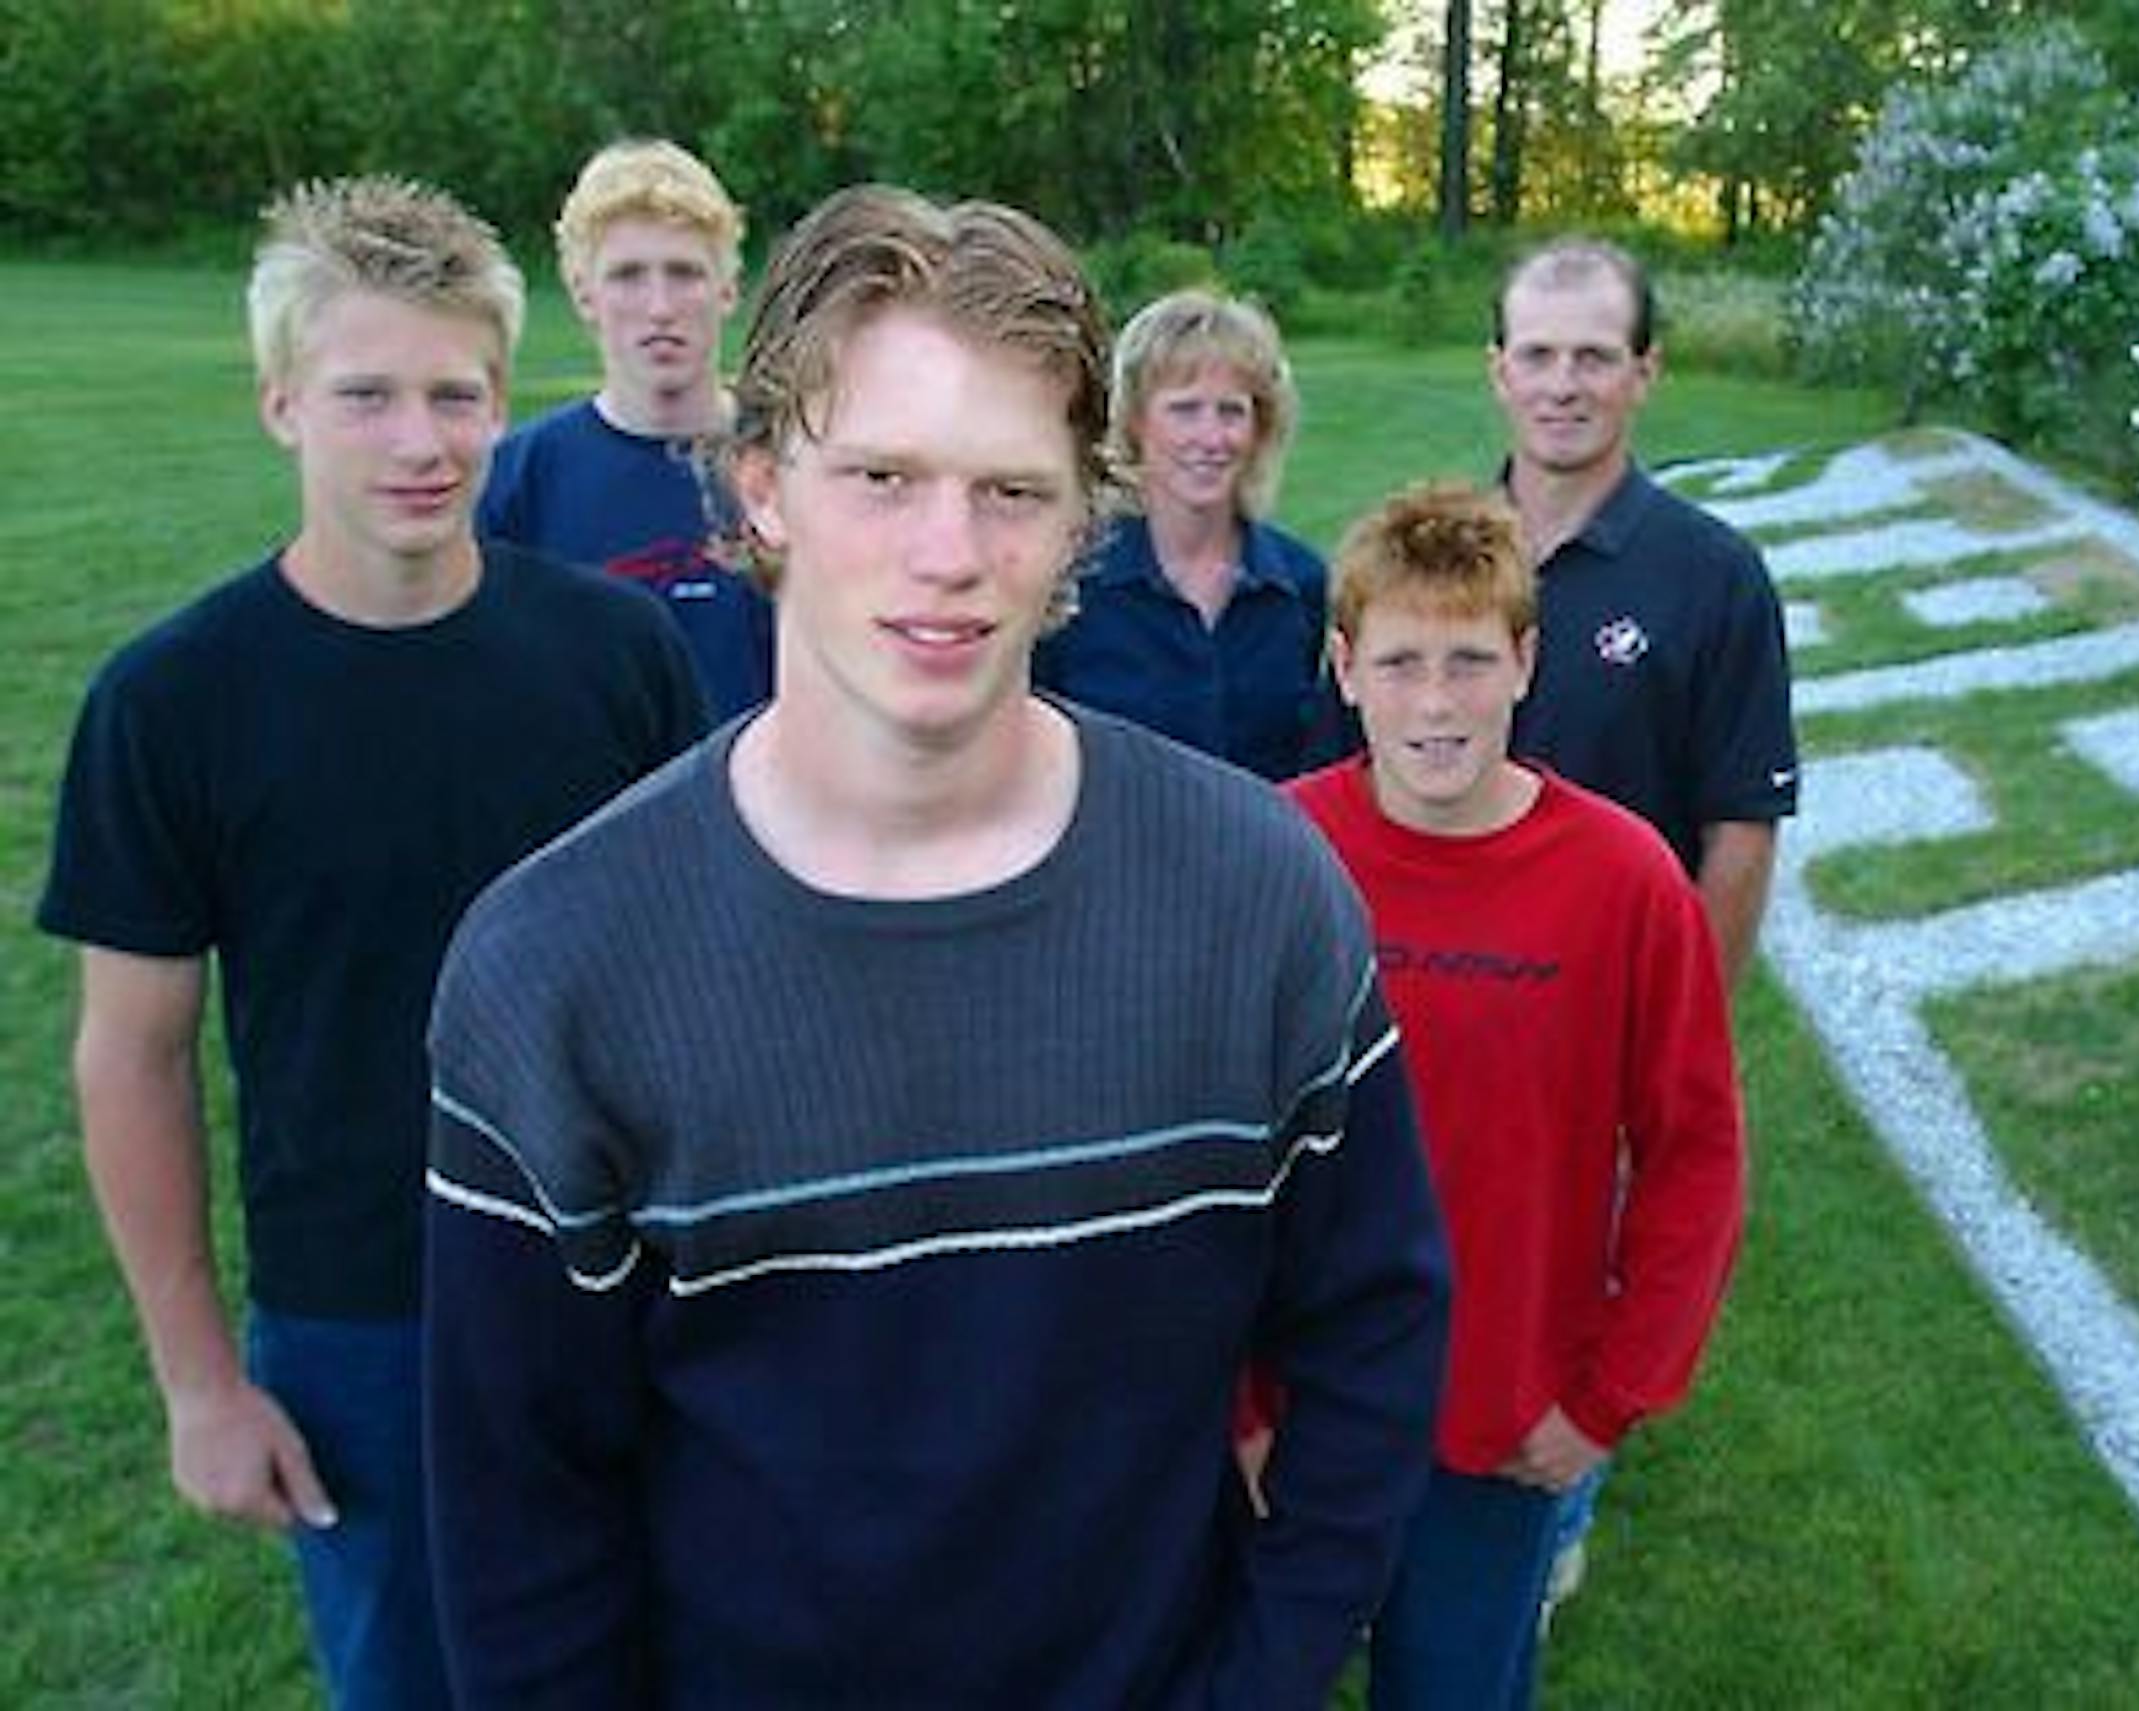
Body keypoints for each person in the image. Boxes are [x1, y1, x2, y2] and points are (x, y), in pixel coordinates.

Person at [423, 184, 1448, 1708]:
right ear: (763, 483)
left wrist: (1268, 1663)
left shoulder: (1257, 893)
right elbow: (523, 1533)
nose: (949, 551)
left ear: (1084, 517)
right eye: (883, 475)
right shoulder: (554, 969)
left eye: (1012, 491)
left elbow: (1374, 1323)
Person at [37, 177, 710, 1710]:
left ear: (500, 398)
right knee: (413, 1674)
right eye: (367, 397)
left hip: (622, 1271)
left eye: (455, 394)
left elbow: (700, 973)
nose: (421, 440)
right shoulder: (174, 702)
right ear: (281, 403)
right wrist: (201, 1380)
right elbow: (130, 1055)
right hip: (358, 1306)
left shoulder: (614, 655)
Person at [1290, 479, 1745, 1709]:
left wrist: (1607, 1399)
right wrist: (1231, 1401)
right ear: (1342, 666)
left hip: (1500, 1423)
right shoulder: (1277, 856)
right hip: (1297, 1418)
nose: (1435, 702)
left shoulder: (1623, 880)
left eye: (1469, 660)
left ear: (1528, 662)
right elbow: (1207, 1153)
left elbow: (1695, 1155)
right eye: (1399, 661)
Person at [1490, 236, 1798, 987]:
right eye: (1537, 355)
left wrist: (1687, 1031)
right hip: (1447, 992)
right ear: (1498, 371)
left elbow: (1741, 826)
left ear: (1645, 371)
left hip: (1618, 987)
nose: (1562, 385)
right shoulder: (1430, 559)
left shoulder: (1717, 576)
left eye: (1593, 357)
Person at [478, 138, 773, 719]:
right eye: (628, 276)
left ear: (728, 291)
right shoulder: (516, 482)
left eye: (684, 273)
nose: (659, 306)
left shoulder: (796, 459)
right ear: (585, 295)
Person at [1032, 287, 1334, 780]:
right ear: (1134, 421)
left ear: (1260, 427)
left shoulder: (1300, 585)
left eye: (1231, 411)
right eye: (1185, 409)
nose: (1210, 438)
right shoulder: (1071, 581)